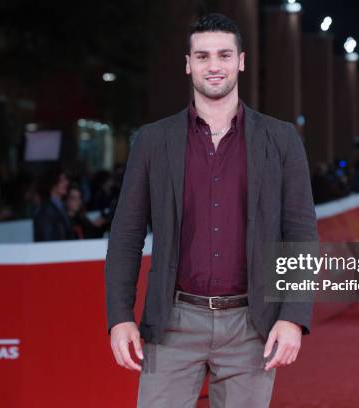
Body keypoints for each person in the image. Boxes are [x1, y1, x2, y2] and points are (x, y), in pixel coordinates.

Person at [105, 13, 318, 408]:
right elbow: (126, 236)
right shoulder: (153, 141)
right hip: (172, 322)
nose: (213, 66)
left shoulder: (282, 139)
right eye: (202, 56)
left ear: (240, 60)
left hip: (253, 323)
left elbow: (300, 235)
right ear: (188, 64)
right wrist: (120, 318)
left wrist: (293, 317)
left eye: (223, 55)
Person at [33, 169, 75, 241]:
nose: (66, 183)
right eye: (61, 180)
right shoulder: (46, 211)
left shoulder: (62, 207)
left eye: (66, 179)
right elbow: (47, 241)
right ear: (52, 184)